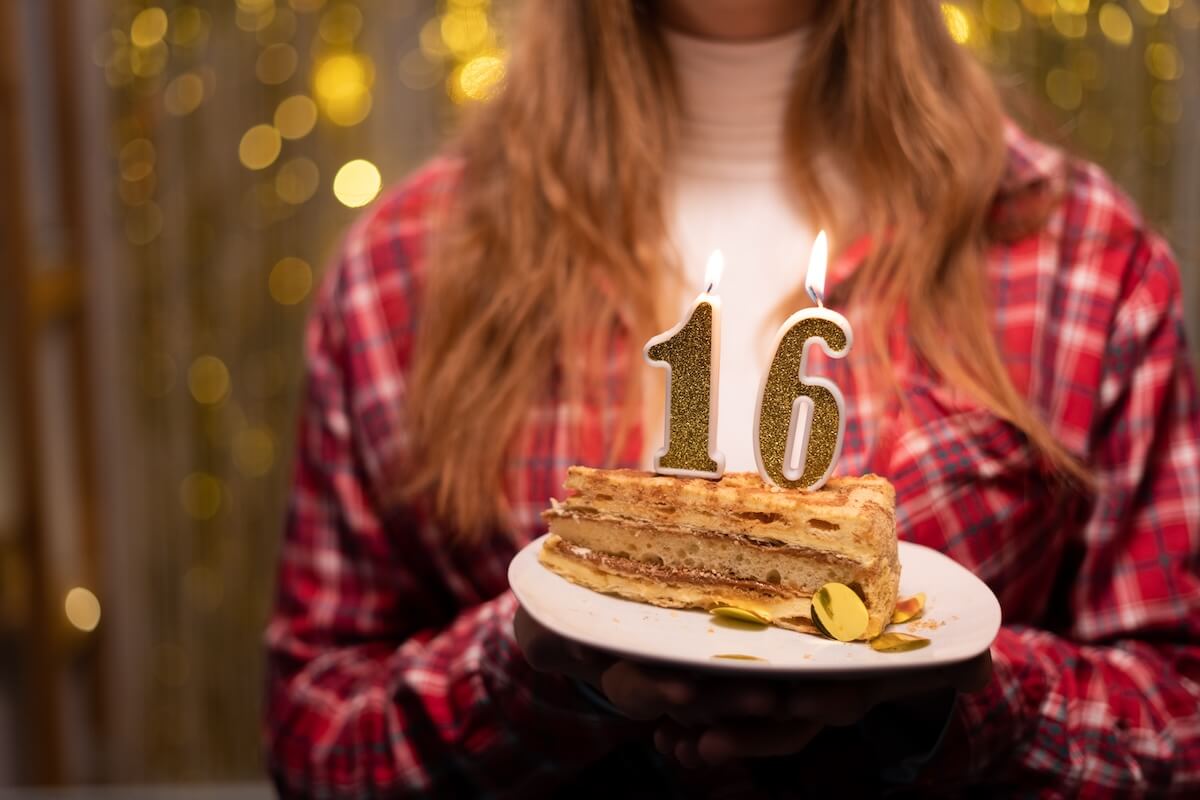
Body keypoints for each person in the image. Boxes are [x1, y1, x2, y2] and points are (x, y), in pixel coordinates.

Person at [264, 0, 1200, 796]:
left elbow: (1180, 716)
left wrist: (959, 696)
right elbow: (314, 734)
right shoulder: (404, 267)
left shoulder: (1082, 253)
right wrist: (528, 667)